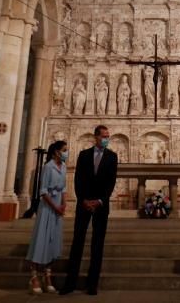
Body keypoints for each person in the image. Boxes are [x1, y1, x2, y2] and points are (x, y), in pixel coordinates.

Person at [60, 125, 118, 296]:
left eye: (108, 136)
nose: (106, 139)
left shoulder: (112, 157)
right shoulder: (84, 155)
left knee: (97, 244)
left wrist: (100, 201)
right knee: (77, 242)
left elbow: (111, 182)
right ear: (96, 137)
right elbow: (78, 179)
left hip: (101, 205)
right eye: (104, 136)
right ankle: (70, 283)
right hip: (84, 203)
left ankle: (92, 284)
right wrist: (83, 199)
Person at [26, 140, 68, 295]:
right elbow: (43, 191)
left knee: (53, 241)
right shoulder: (48, 167)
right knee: (41, 240)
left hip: (58, 207)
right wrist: (55, 206)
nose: (66, 153)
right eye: (64, 150)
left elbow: (64, 187)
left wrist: (63, 204)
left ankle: (47, 276)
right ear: (56, 152)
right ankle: (34, 276)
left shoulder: (63, 167)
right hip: (47, 207)